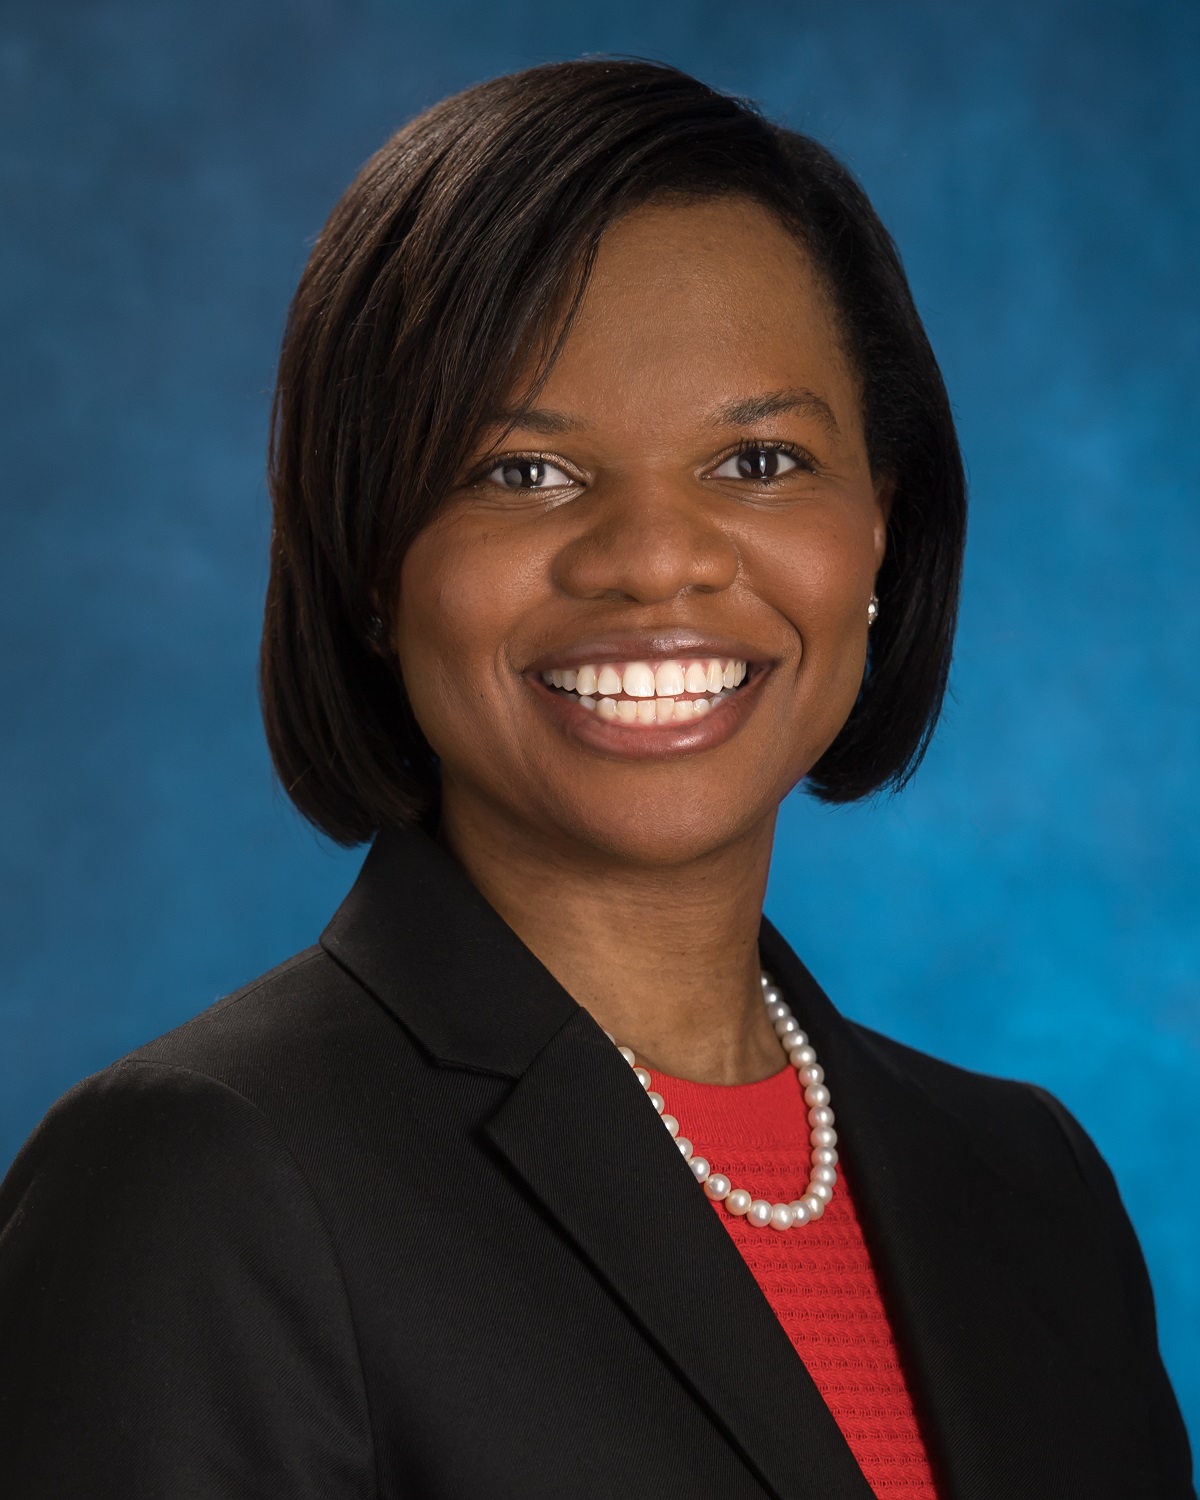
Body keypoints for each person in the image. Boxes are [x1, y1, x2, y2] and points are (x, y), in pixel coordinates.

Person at [0, 57, 1192, 1500]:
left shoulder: (1031, 1190)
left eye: (759, 461)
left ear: (880, 525)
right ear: (372, 561)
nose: (655, 559)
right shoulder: (202, 1179)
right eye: (524, 473)